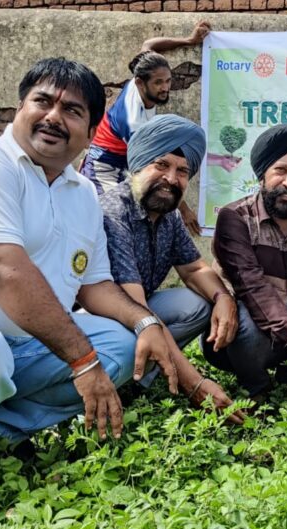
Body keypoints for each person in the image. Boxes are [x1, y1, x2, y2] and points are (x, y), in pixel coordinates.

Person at [0, 58, 176, 529]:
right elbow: (2, 269)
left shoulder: (82, 193)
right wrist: (82, 362)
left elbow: (94, 286)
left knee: (125, 343)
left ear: (90, 132)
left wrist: (147, 323)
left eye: (72, 110)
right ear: (19, 107)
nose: (53, 116)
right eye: (42, 101)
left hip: (14, 346)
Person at [99, 114, 243, 423]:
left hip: (138, 307)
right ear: (137, 166)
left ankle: (143, 377)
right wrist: (195, 382)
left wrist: (224, 298)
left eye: (182, 171)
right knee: (131, 335)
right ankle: (126, 371)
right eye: (161, 165)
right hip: (102, 316)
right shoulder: (113, 211)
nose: (171, 178)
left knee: (198, 304)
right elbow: (135, 307)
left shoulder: (169, 216)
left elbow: (193, 270)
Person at [204, 120, 287, 401]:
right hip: (252, 321)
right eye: (280, 170)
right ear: (262, 175)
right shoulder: (235, 218)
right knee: (247, 332)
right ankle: (259, 388)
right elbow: (254, 290)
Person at [80, 21, 211, 236]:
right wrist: (184, 211)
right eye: (158, 83)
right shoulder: (134, 121)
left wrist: (190, 40)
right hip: (106, 166)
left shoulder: (142, 72)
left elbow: (149, 44)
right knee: (112, 221)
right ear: (140, 83)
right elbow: (151, 167)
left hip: (121, 156)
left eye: (168, 80)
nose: (165, 87)